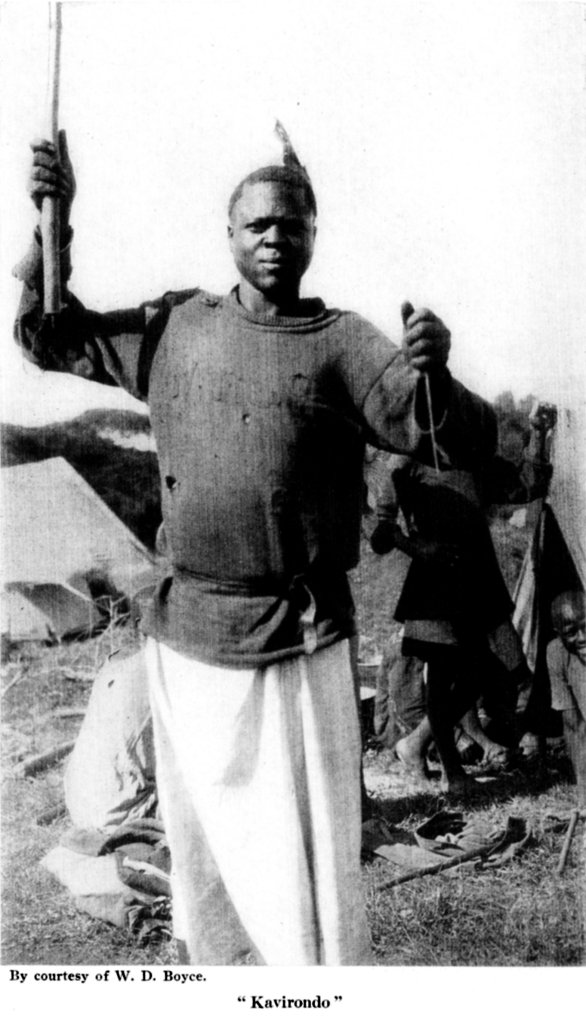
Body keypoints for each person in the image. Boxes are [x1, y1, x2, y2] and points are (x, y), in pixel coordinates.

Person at [15, 125, 494, 965]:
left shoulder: (343, 343)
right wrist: (54, 222)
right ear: (230, 234)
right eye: (258, 225)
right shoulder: (174, 327)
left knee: (305, 868)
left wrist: (436, 373)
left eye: (292, 225)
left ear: (314, 234)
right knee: (208, 856)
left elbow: (450, 438)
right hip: (190, 639)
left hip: (299, 641)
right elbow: (54, 337)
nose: (275, 238)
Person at [369, 405, 554, 794]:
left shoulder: (475, 458)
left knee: (491, 672)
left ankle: (415, 744)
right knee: (441, 679)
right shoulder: (406, 459)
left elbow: (527, 487)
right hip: (434, 582)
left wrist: (538, 434)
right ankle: (453, 775)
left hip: (478, 581)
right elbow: (380, 532)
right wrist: (418, 547)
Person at [546, 591, 586, 806]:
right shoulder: (557, 653)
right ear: (559, 634)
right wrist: (584, 791)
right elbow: (574, 727)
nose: (582, 638)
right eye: (571, 632)